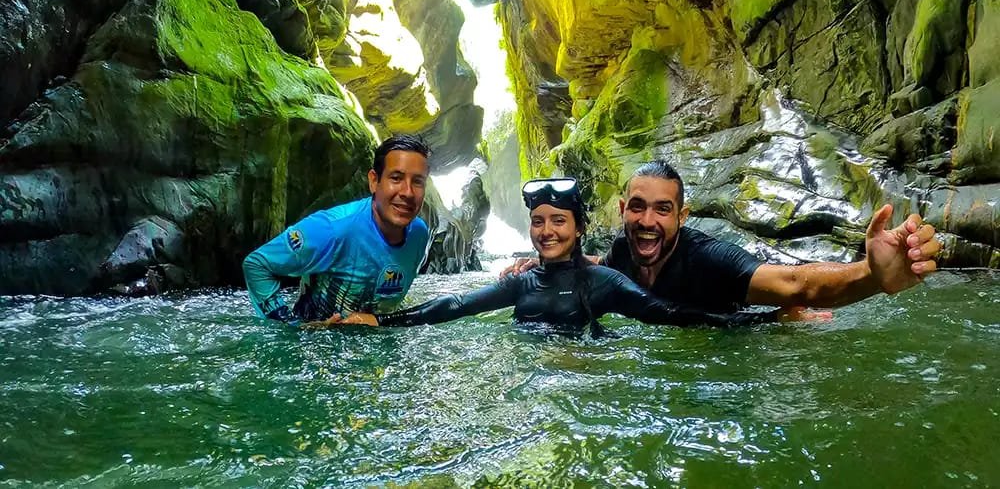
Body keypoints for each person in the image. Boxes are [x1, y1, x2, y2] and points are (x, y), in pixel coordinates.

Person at [310, 178, 813, 333]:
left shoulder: (605, 283)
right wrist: (379, 320)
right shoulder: (520, 281)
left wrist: (767, 320)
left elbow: (674, 315)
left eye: (559, 221)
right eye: (538, 221)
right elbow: (454, 307)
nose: (546, 232)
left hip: (587, 380)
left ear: (578, 229)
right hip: (534, 393)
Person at [504, 160, 941, 314]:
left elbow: (796, 283)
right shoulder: (622, 250)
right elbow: (599, 267)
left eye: (663, 209)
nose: (647, 221)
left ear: (682, 216)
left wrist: (870, 274)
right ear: (622, 211)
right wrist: (543, 265)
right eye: (637, 207)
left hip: (744, 339)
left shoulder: (710, 259)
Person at [243, 134, 431, 323]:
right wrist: (291, 326)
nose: (408, 192)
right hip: (315, 345)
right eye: (396, 178)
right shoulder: (332, 229)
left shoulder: (419, 235)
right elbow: (257, 264)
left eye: (418, 182)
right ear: (374, 181)